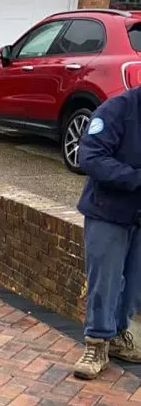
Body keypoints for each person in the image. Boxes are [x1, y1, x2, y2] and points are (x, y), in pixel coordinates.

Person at [72, 82, 141, 378]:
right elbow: (91, 157)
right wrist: (136, 178)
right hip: (108, 212)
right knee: (105, 281)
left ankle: (119, 335)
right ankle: (96, 342)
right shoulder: (117, 109)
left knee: (135, 284)